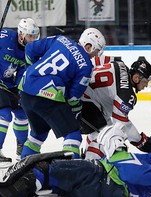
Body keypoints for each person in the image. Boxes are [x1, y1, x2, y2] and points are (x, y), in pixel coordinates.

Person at [0, 122, 151, 197]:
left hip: (101, 176)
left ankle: (4, 195)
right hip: (101, 189)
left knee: (46, 169)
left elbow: (130, 172)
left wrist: (117, 148)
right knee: (52, 180)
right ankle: (13, 191)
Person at [18, 28, 106, 159]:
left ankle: (22, 166)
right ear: (89, 46)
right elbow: (74, 96)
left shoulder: (61, 39)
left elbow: (30, 48)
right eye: (96, 51)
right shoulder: (86, 66)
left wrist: (33, 70)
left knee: (38, 133)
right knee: (73, 135)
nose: (95, 55)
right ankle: (72, 173)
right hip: (47, 96)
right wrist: (75, 112)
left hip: (25, 90)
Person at [81, 59, 151, 159]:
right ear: (136, 78)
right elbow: (120, 122)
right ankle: (89, 164)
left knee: (102, 127)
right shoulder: (127, 95)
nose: (146, 86)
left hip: (80, 93)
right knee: (107, 135)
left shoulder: (120, 64)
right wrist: (140, 141)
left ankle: (86, 155)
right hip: (84, 101)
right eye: (146, 82)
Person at [0, 18, 40, 162]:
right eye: (30, 36)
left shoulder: (30, 51)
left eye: (35, 37)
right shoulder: (4, 37)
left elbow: (24, 71)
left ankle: (21, 149)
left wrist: (20, 87)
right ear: (21, 34)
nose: (33, 39)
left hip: (9, 84)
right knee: (4, 114)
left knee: (22, 114)